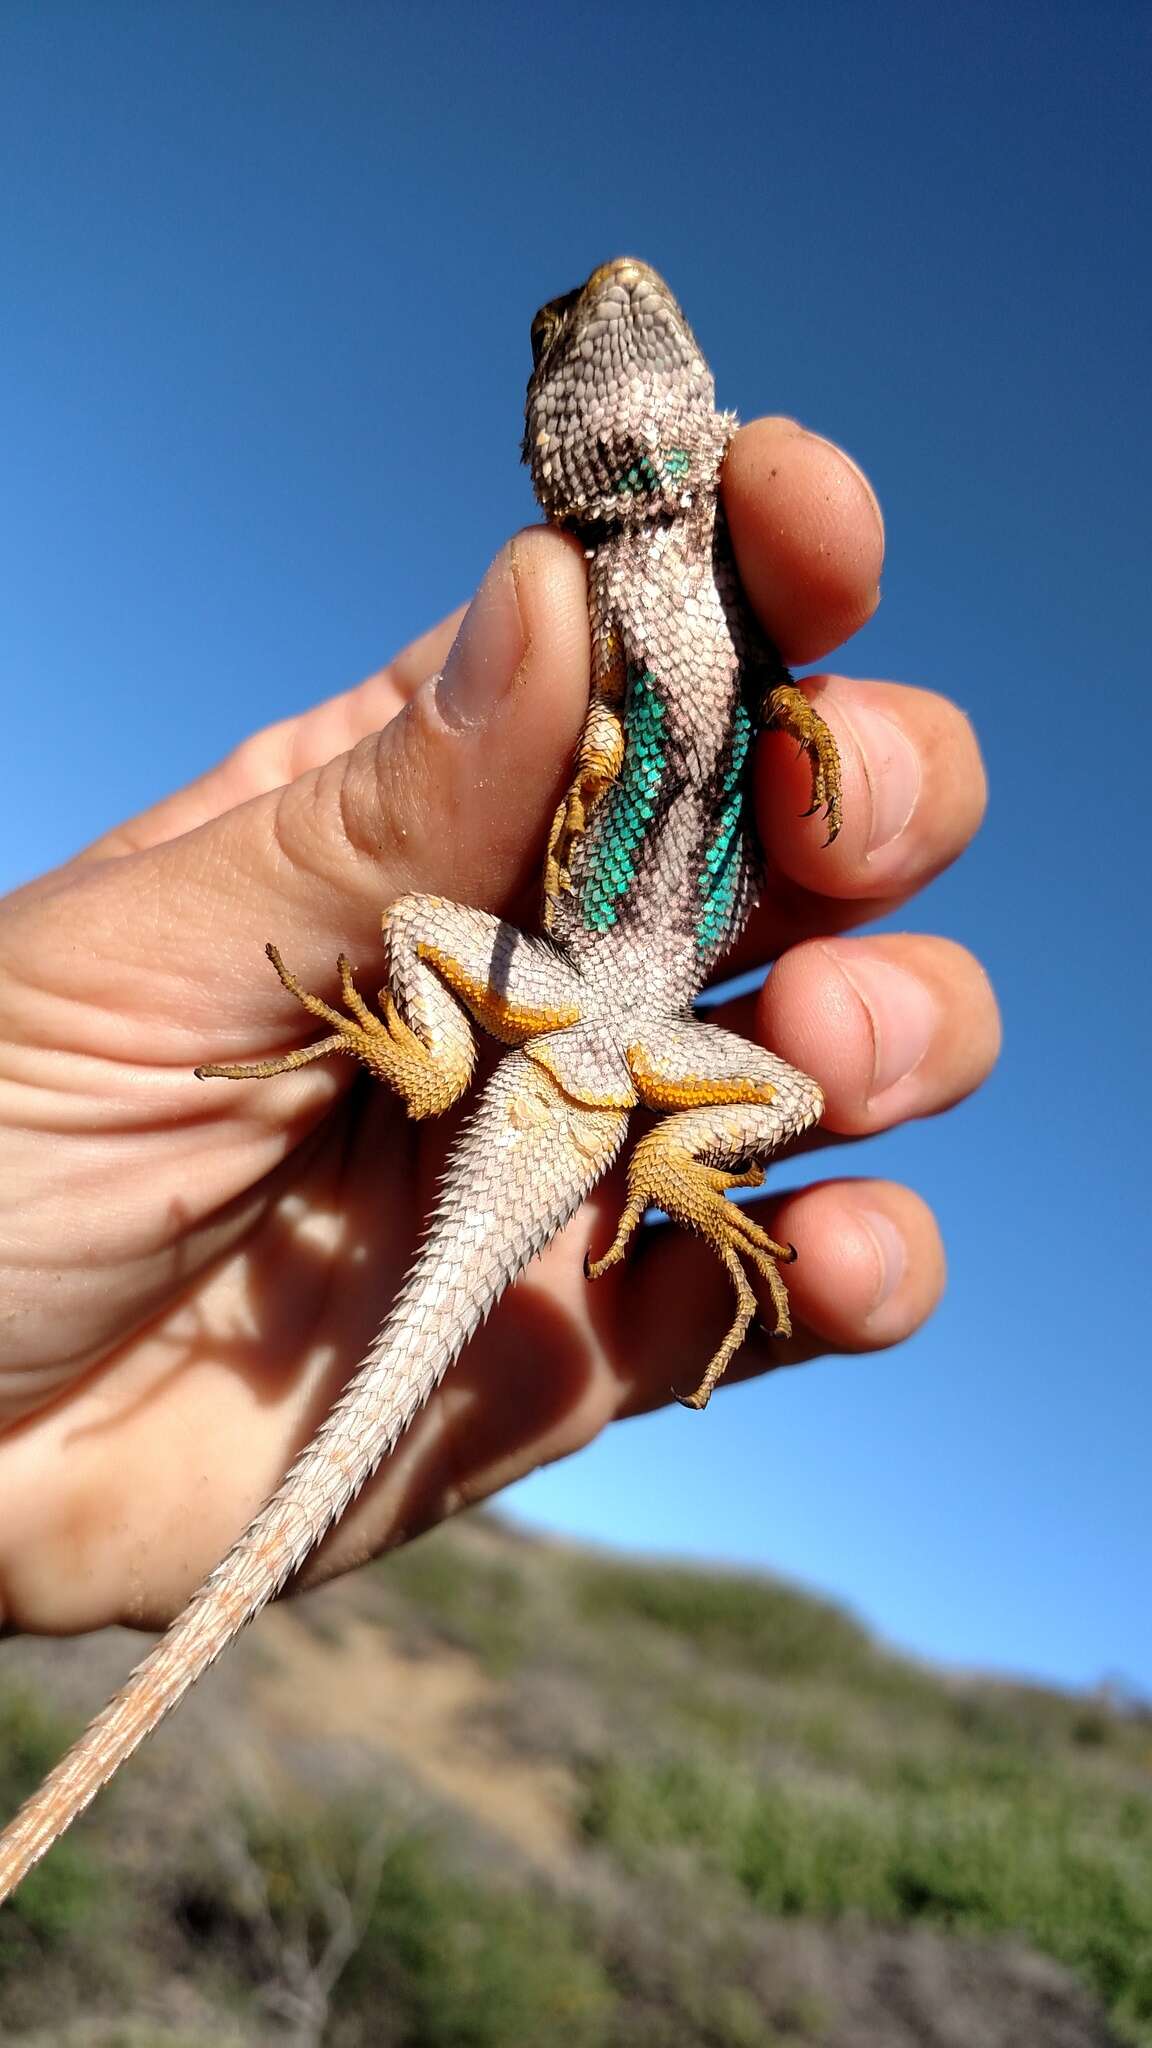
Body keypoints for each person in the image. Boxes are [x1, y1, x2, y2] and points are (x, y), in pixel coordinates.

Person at [0, 417, 997, 1638]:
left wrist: (785, 704)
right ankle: (427, 1069)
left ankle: (665, 1165)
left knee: (794, 1090)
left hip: (628, 1037)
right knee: (415, 915)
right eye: (560, 332)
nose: (618, 296)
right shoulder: (604, 564)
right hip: (572, 994)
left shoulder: (722, 556)